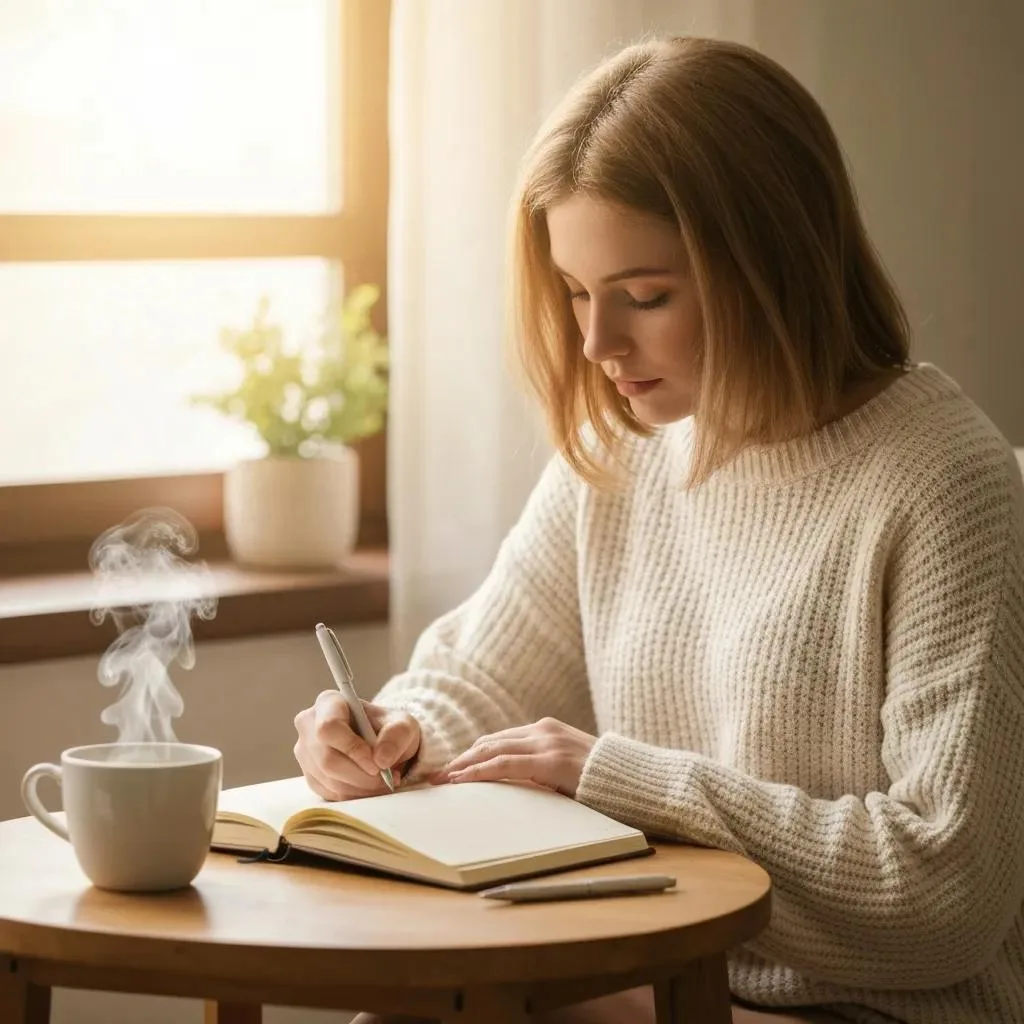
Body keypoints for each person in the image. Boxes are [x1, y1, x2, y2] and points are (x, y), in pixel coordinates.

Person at [293, 35, 1024, 1024]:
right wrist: (393, 737)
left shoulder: (946, 483)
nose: (597, 345)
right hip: (675, 987)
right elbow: (475, 680)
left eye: (644, 296)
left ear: (772, 262)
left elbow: (941, 893)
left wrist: (615, 779)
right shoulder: (626, 451)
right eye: (576, 295)